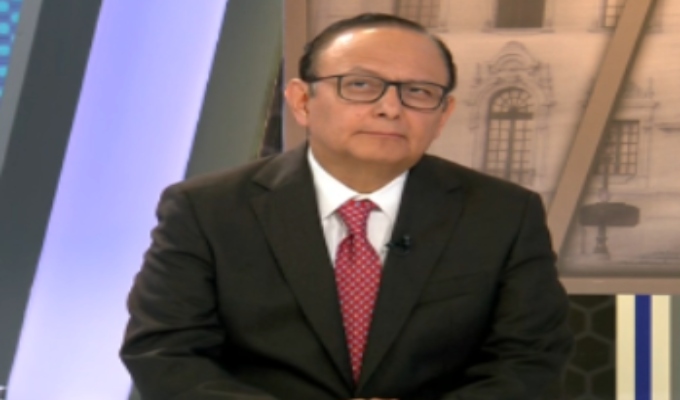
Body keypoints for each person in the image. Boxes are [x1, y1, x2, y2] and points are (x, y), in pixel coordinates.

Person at [121, 13, 572, 400]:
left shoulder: (503, 214)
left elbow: (529, 360)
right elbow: (165, 353)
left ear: (444, 114)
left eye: (418, 92)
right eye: (360, 85)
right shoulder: (207, 209)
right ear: (302, 101)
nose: (390, 108)